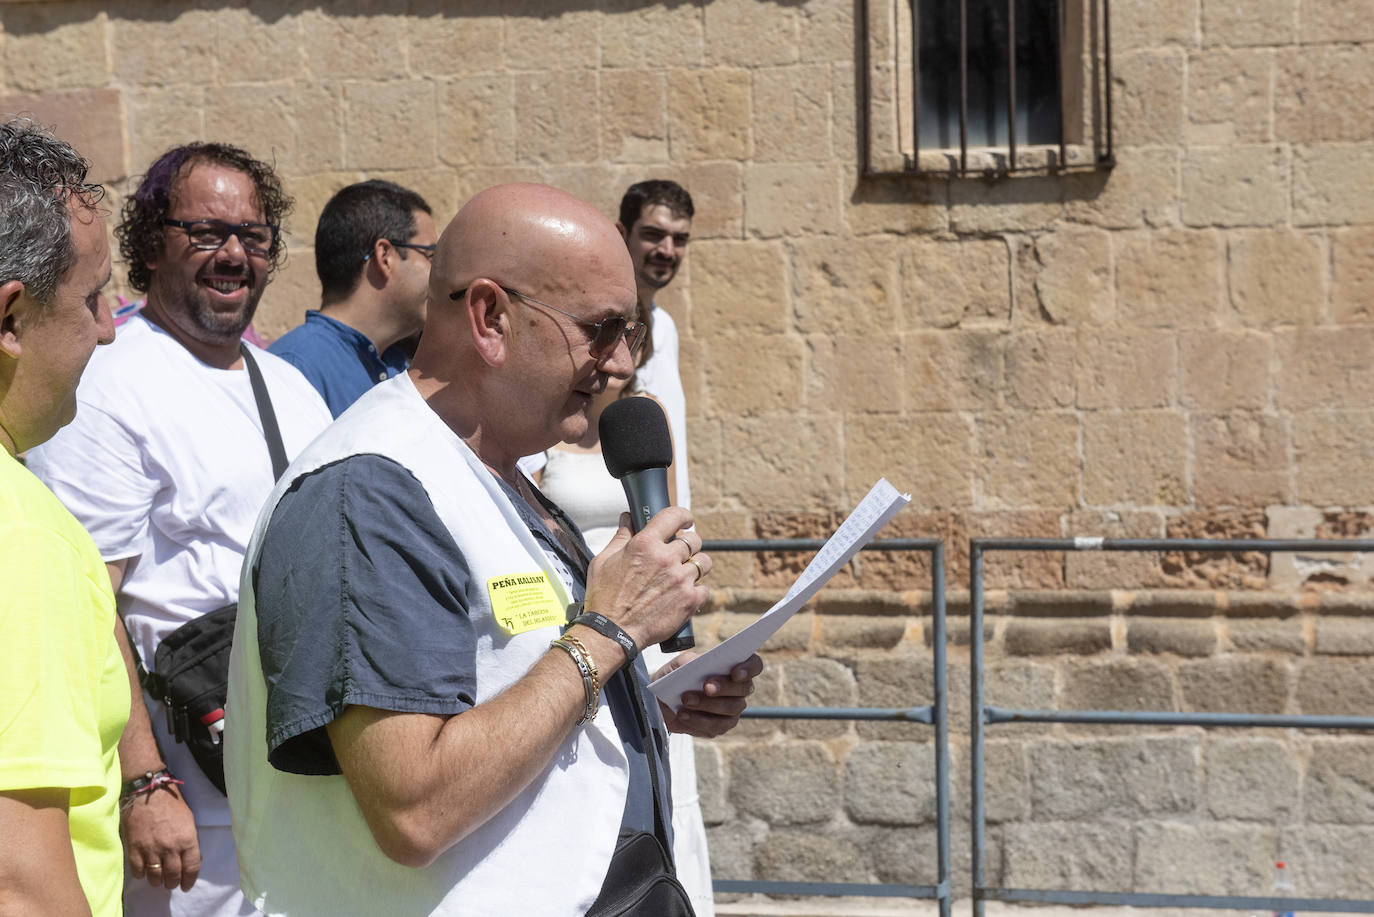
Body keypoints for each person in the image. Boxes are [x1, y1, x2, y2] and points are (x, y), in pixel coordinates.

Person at [228, 182, 761, 916]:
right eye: (600, 328)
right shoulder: (369, 491)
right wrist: (607, 636)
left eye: (630, 333)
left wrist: (650, 693)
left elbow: (513, 683)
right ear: (490, 317)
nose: (616, 364)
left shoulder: (498, 478)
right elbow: (414, 806)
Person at [27, 142, 333, 917]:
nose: (234, 253)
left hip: (308, 776)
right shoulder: (109, 382)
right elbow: (93, 605)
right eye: (205, 232)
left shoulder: (292, 388)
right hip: (196, 810)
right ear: (151, 242)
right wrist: (144, 780)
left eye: (254, 236)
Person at [0, 117, 127, 917]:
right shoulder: (20, 535)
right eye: (93, 296)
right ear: (10, 319)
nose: (112, 327)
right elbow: (21, 879)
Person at [614, 179, 714, 915]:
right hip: (612, 589)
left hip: (668, 588)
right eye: (653, 234)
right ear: (624, 233)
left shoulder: (667, 330)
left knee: (673, 777)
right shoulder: (603, 330)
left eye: (679, 238)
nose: (666, 250)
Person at [269, 180, 437, 417]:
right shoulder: (293, 370)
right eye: (431, 255)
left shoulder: (397, 365)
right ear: (385, 256)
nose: (439, 272)